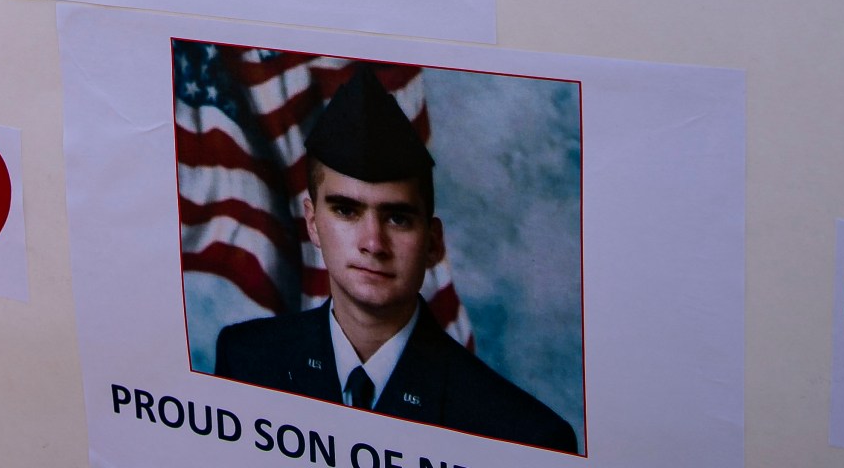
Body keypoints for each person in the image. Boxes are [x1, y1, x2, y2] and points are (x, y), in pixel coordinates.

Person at [213, 69, 579, 454]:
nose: (373, 243)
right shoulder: (247, 362)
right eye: (346, 211)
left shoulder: (521, 435)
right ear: (313, 223)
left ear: (433, 243)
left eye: (397, 218)